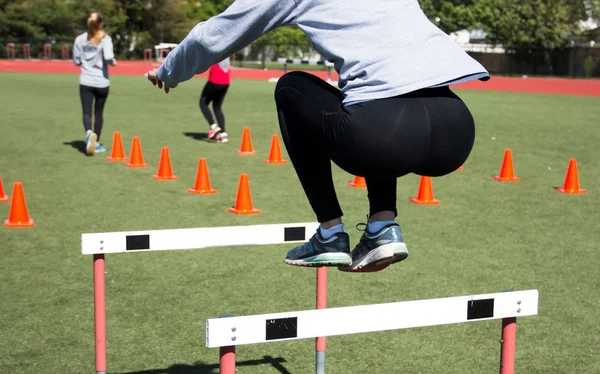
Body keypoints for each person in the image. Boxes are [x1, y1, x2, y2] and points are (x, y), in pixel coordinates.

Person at [145, 0, 490, 272]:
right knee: (369, 96)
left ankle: (329, 233)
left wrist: (169, 69)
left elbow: (217, 33)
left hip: (386, 134)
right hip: (455, 129)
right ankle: (382, 226)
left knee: (291, 87)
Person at [73, 11, 117, 156]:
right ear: (100, 24)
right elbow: (109, 57)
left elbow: (76, 61)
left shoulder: (80, 39)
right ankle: (96, 143)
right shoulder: (105, 38)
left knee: (86, 111)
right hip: (101, 81)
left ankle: (88, 132)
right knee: (98, 112)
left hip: (85, 80)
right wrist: (113, 62)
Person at [200, 58, 231, 143]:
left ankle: (213, 126)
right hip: (226, 81)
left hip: (216, 78)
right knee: (217, 107)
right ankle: (223, 134)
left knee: (203, 103)